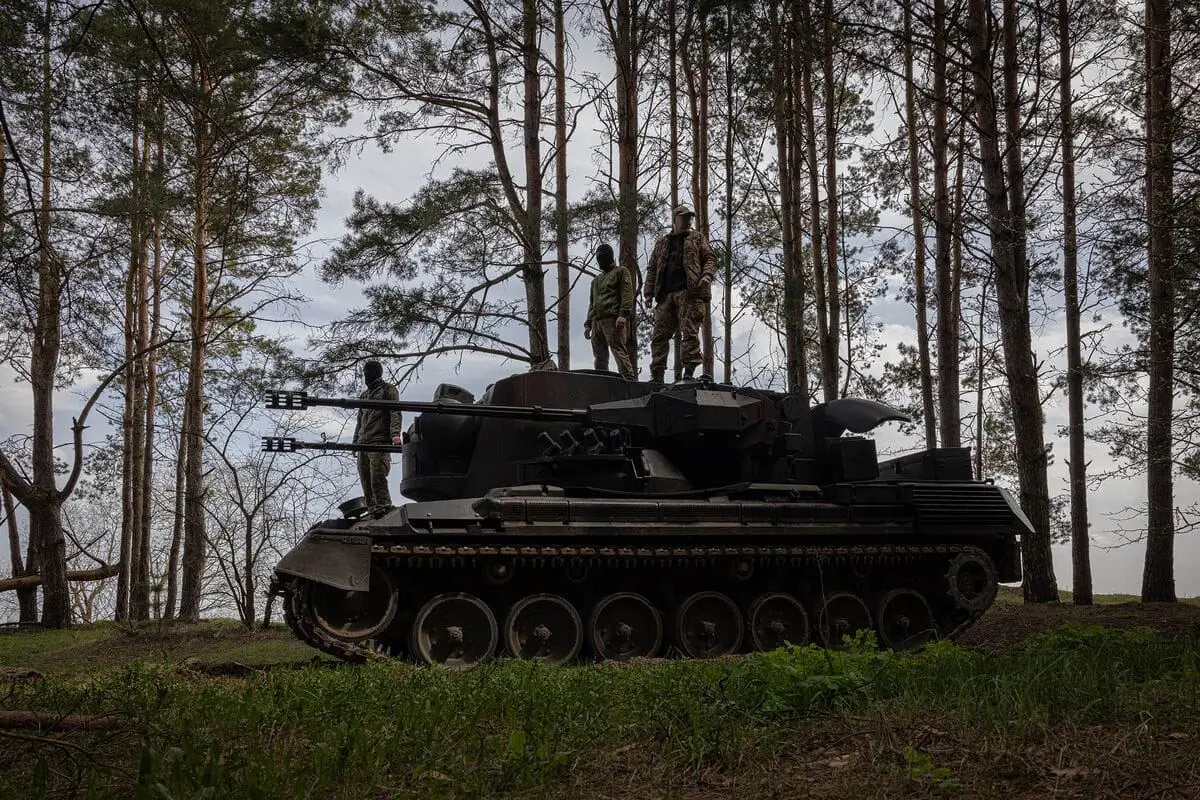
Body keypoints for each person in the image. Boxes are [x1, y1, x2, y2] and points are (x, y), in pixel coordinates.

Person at [643, 204, 717, 382]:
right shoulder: (662, 243)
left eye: (690, 218)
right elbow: (652, 268)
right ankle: (657, 375)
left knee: (689, 333)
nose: (687, 221)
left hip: (689, 293)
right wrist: (648, 293)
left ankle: (689, 373)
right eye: (684, 218)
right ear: (675, 219)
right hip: (665, 295)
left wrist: (707, 275)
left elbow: (710, 258)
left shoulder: (697, 238)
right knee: (659, 335)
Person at [351, 360, 403, 509]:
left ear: (376, 372)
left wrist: (395, 434)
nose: (366, 374)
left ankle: (384, 508)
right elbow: (359, 420)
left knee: (377, 479)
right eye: (365, 371)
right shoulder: (364, 395)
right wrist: (355, 442)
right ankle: (372, 509)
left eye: (369, 371)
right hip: (363, 443)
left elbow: (395, 412)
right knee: (366, 482)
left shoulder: (388, 390)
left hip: (379, 442)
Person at [584, 243, 636, 379]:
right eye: (598, 257)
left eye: (601, 257)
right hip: (597, 322)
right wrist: (588, 323)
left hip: (613, 320)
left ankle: (629, 382)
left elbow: (627, 293)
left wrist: (623, 314)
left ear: (609, 257)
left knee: (619, 351)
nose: (599, 260)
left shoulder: (620, 272)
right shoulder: (595, 280)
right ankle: (603, 384)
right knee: (599, 357)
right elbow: (592, 303)